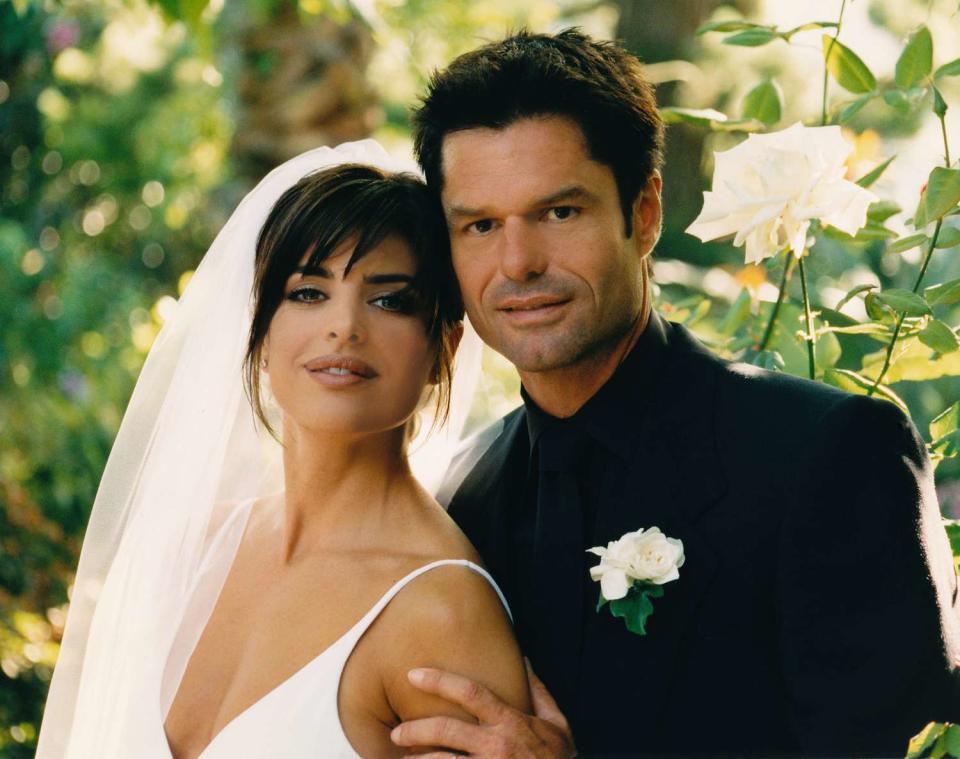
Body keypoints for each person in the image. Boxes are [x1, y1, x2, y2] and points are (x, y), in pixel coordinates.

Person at [389, 29, 960, 758]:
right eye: (480, 225)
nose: (518, 262)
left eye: (560, 212)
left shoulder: (830, 454)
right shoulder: (463, 494)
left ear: (646, 212)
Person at [36, 143, 530, 758]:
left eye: (389, 299)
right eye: (307, 292)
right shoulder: (194, 553)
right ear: (260, 333)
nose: (344, 326)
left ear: (443, 350)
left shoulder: (439, 613)